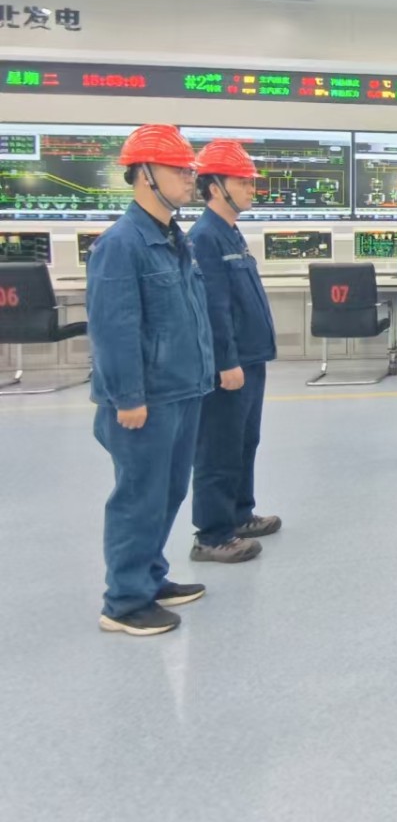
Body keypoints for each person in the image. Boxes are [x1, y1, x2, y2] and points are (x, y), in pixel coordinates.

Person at [88, 124, 214, 636]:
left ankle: (149, 577)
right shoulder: (122, 244)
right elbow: (113, 327)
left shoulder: (174, 238)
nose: (189, 177)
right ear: (144, 174)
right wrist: (128, 396)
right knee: (139, 497)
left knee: (168, 492)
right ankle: (123, 602)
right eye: (178, 169)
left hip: (182, 388)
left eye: (190, 169)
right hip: (145, 399)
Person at [189, 140, 279, 564]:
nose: (250, 189)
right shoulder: (205, 237)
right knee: (219, 446)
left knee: (246, 440)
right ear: (214, 187)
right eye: (242, 181)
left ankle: (240, 515)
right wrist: (225, 361)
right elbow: (214, 307)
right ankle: (212, 535)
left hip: (251, 357)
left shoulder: (230, 232)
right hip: (231, 363)